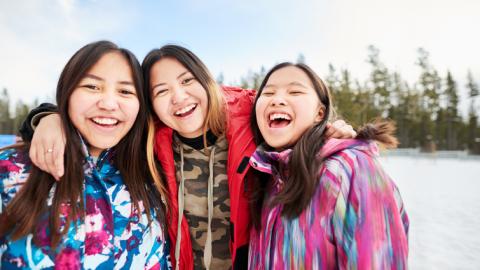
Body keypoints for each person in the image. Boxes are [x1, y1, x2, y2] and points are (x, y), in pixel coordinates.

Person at [20, 45, 356, 270]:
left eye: (186, 81)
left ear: (206, 80)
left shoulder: (251, 121)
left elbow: (290, 111)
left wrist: (325, 130)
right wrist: (48, 118)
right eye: (161, 91)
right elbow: (102, 117)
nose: (178, 98)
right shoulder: (151, 140)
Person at [0, 41, 170, 269]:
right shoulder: (9, 171)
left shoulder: (156, 177)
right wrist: (49, 116)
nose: (109, 103)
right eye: (92, 87)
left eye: (125, 91)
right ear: (67, 92)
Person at [248, 62, 409, 269]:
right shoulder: (266, 175)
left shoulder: (351, 169)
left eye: (295, 91)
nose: (277, 100)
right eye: (268, 93)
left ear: (320, 113)